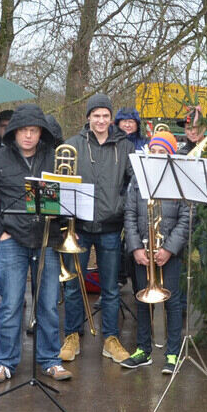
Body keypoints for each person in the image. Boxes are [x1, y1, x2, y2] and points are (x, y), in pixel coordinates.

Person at [0, 103, 72, 383]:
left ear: (41, 133)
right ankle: (4, 363)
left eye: (34, 131)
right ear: (13, 132)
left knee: (49, 305)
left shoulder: (54, 159)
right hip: (12, 240)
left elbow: (69, 199)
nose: (28, 136)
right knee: (10, 304)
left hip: (47, 240)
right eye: (23, 130)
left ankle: (51, 360)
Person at [59, 93, 134, 365]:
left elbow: (134, 184)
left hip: (111, 227)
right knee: (72, 286)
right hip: (78, 228)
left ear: (111, 118)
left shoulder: (125, 147)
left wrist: (119, 206)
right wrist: (68, 222)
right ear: (88, 117)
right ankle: (72, 336)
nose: (101, 120)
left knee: (111, 287)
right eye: (96, 115)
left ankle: (110, 339)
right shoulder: (73, 145)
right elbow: (62, 187)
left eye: (105, 116)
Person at [120, 131, 190, 373]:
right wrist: (136, 247)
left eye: (164, 152)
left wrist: (169, 249)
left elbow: (186, 218)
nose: (158, 155)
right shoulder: (138, 179)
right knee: (142, 300)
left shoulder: (179, 179)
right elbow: (129, 214)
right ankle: (143, 350)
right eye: (155, 151)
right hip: (143, 251)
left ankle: (172, 353)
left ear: (171, 154)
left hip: (168, 253)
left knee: (172, 302)